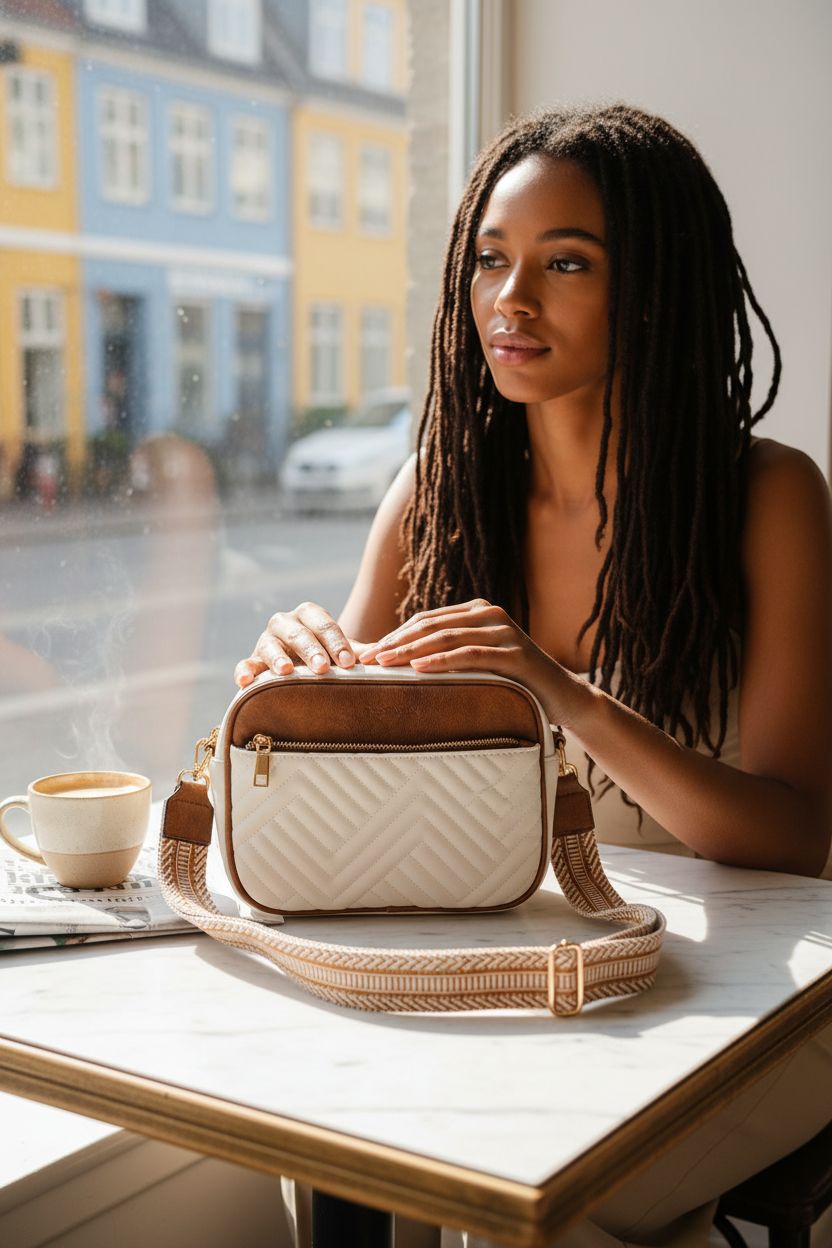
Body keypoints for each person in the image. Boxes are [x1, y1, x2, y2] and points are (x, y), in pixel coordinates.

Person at [236, 104, 832, 1247]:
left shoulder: (767, 498)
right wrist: (289, 687)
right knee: (337, 1137)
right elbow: (332, 782)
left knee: (521, 1201)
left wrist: (558, 693)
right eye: (490, 260)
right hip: (528, 980)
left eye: (565, 264)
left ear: (651, 290)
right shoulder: (436, 498)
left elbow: (794, 840)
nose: (509, 299)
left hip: (757, 997)